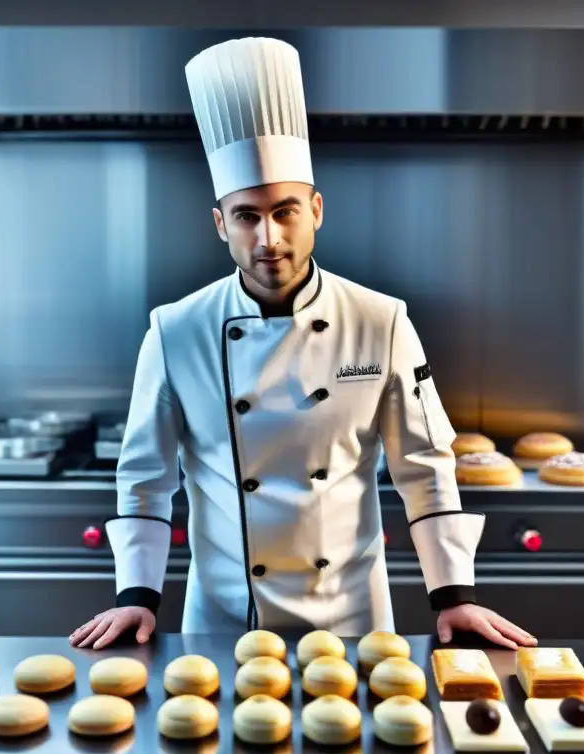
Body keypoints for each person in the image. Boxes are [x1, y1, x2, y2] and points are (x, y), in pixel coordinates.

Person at [70, 36, 536, 651]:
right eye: (246, 215)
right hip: (223, 623)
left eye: (285, 211)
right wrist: (136, 595)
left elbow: (423, 465)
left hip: (354, 624)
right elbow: (145, 475)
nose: (268, 237)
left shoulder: (381, 321)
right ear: (220, 223)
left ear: (315, 209)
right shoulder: (175, 330)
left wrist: (454, 596)